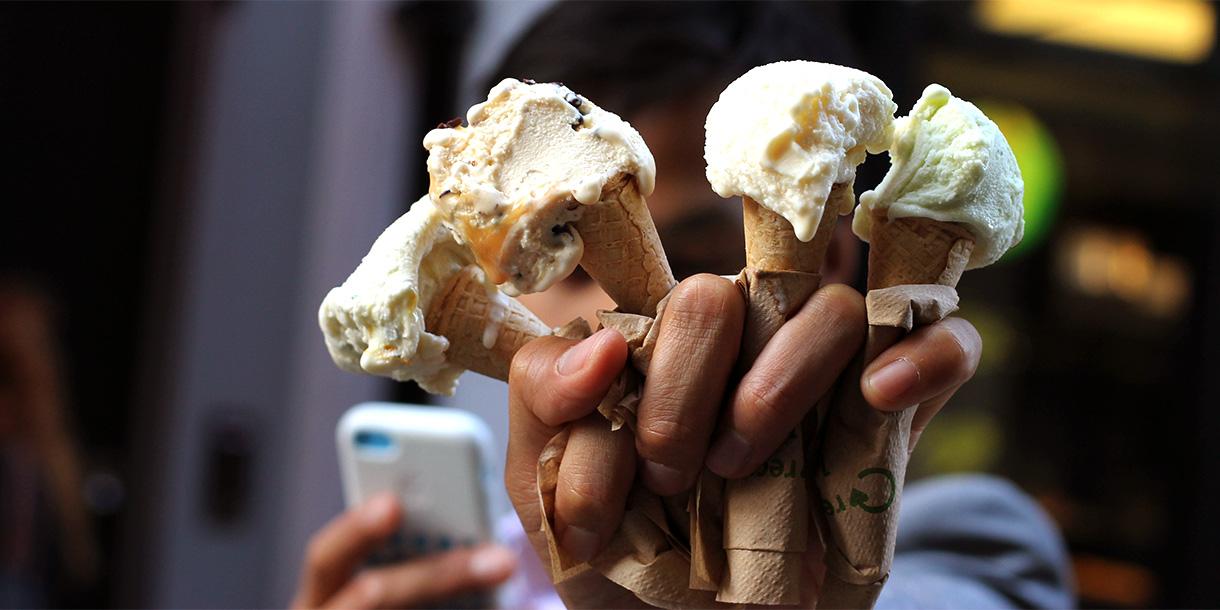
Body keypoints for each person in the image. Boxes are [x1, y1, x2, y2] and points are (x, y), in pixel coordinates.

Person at [293, 3, 1073, 608]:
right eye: (560, 248)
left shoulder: (970, 543)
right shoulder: (474, 573)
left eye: (697, 258)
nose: (626, 324)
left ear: (829, 249)